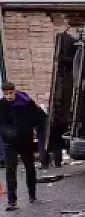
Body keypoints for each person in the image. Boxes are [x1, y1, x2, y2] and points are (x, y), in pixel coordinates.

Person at [0, 82, 46, 210]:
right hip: (10, 142)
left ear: (15, 91)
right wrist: (6, 132)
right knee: (10, 170)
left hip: (26, 140)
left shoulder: (26, 103)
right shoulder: (2, 105)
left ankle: (32, 195)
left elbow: (40, 117)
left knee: (30, 167)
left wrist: (30, 128)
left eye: (11, 93)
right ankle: (11, 201)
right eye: (6, 94)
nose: (9, 96)